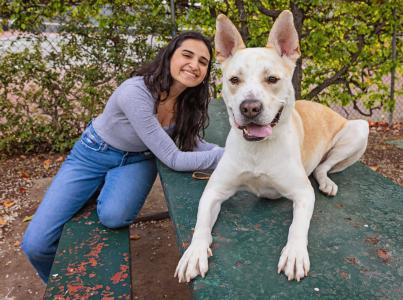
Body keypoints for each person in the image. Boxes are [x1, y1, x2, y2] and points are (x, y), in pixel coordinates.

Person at [21, 31, 224, 283]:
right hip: (93, 155)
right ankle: (64, 286)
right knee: (35, 244)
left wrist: (223, 153)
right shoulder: (136, 91)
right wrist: (230, 159)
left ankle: (104, 188)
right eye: (187, 55)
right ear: (170, 55)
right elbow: (173, 158)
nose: (194, 65)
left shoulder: (187, 101)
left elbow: (192, 143)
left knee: (114, 216)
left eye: (203, 62)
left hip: (141, 158)